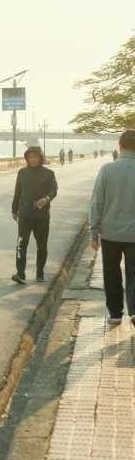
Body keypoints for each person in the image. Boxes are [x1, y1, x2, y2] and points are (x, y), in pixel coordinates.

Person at [89, 130, 135, 326]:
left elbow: (97, 202)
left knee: (111, 272)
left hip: (111, 232)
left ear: (120, 146)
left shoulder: (107, 169)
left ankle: (115, 313)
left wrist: (94, 231)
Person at [11, 146, 58, 284]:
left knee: (42, 246)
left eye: (35, 157)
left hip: (41, 216)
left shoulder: (49, 173)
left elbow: (54, 190)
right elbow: (17, 193)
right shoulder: (22, 172)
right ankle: (20, 273)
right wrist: (14, 210)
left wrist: (47, 199)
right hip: (24, 214)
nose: (32, 159)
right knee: (21, 244)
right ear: (27, 158)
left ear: (41, 158)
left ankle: (40, 272)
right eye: (30, 157)